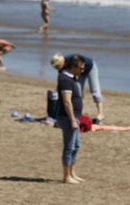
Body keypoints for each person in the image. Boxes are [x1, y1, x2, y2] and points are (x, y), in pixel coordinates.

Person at [55, 55, 85, 184]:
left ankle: (72, 174)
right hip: (67, 118)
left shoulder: (70, 78)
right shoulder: (65, 80)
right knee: (69, 147)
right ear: (73, 67)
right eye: (81, 68)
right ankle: (66, 177)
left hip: (74, 116)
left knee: (76, 146)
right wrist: (72, 120)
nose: (82, 71)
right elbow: (67, 102)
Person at [51, 53, 105, 121]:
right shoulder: (62, 66)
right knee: (78, 91)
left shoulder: (71, 60)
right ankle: (78, 113)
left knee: (95, 90)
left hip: (90, 68)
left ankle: (100, 113)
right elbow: (60, 78)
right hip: (79, 71)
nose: (57, 69)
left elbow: (77, 68)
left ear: (61, 63)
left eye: (57, 67)